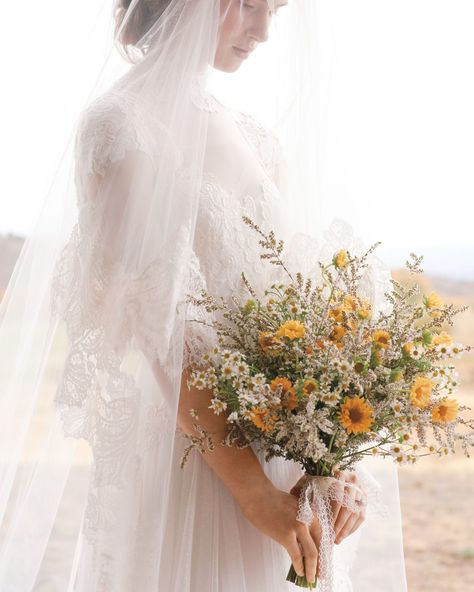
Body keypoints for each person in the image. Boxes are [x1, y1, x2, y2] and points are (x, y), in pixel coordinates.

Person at [0, 1, 407, 590]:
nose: (265, 30)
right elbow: (156, 325)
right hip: (197, 472)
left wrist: (333, 463)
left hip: (287, 473)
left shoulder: (256, 139)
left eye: (275, 8)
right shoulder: (121, 125)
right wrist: (252, 492)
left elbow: (305, 318)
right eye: (246, 3)